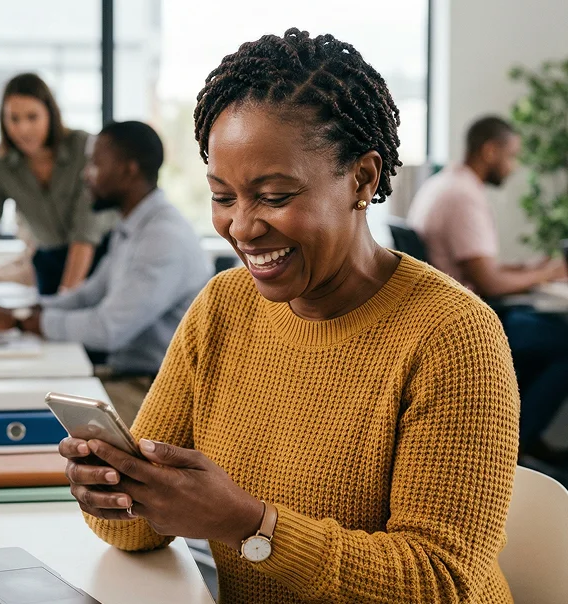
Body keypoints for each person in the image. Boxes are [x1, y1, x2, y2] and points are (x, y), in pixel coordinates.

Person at [59, 30, 519, 603]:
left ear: (364, 179)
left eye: (274, 196)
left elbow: (442, 581)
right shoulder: (222, 307)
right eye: (223, 197)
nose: (243, 227)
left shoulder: (452, 335)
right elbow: (133, 534)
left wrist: (251, 526)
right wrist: (117, 491)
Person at [0, 121, 211, 421]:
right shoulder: (131, 227)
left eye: (94, 164)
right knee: (21, 396)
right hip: (126, 376)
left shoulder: (162, 236)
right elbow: (88, 296)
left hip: (155, 390)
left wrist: (22, 322)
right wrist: (23, 311)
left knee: (30, 414)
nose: (85, 174)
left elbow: (108, 329)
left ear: (128, 171)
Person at [408, 116, 568, 465]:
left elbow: (474, 264)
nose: (513, 167)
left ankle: (527, 436)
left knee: (551, 337)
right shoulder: (465, 196)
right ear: (490, 151)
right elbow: (490, 283)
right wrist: (549, 273)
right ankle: (514, 446)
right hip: (472, 320)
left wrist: (530, 270)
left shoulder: (444, 182)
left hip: (445, 307)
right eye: (511, 157)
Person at [0, 73, 114, 308]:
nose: (23, 129)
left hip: (98, 257)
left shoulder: (82, 147)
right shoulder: (1, 161)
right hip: (50, 260)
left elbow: (85, 233)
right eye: (13, 119)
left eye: (32, 117)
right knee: (49, 338)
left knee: (83, 330)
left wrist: (63, 304)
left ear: (50, 113)